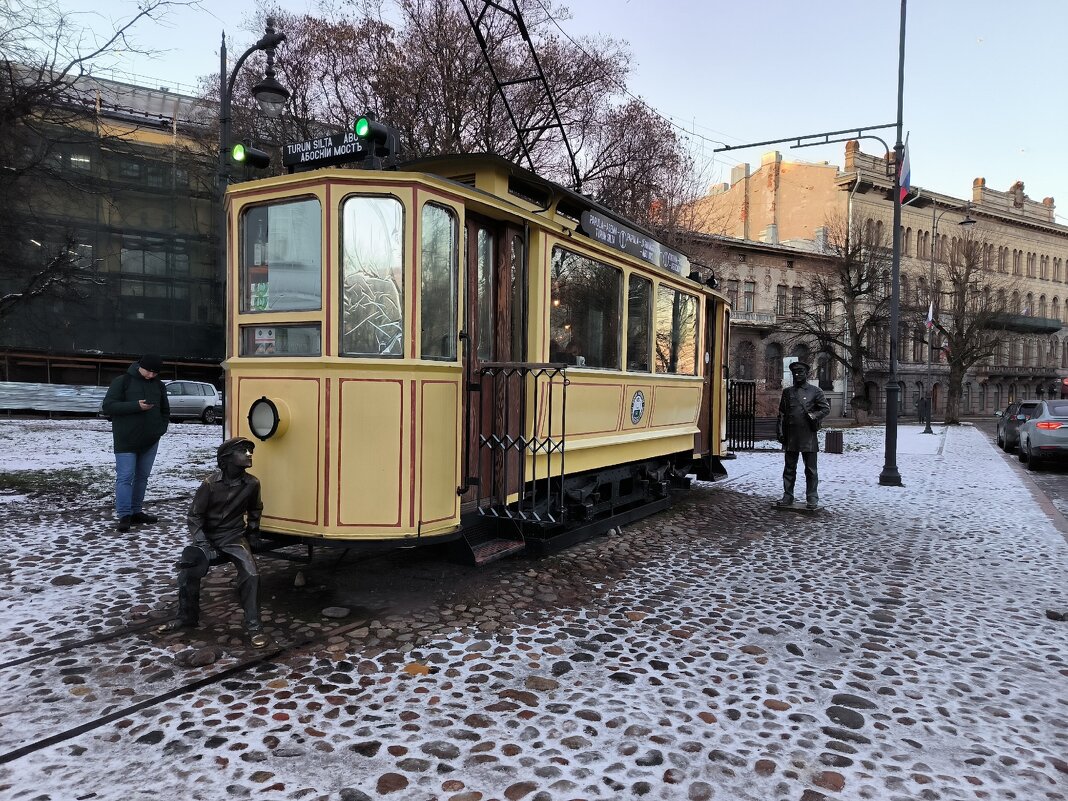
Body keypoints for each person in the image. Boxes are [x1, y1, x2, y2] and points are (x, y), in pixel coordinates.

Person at [157, 437, 268, 648]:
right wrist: (201, 541)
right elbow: (194, 516)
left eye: (249, 450)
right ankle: (186, 617)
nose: (249, 454)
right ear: (226, 459)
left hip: (234, 537)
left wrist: (253, 533)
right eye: (243, 451)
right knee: (188, 567)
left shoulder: (252, 483)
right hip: (207, 537)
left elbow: (255, 509)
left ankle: (254, 627)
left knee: (251, 573)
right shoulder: (209, 484)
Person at [101, 353, 170, 532]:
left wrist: (161, 428)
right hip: (126, 440)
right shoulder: (122, 381)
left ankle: (136, 511)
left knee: (142, 478)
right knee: (125, 477)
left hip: (151, 439)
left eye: (155, 373)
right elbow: (108, 406)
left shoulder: (159, 385)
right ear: (140, 365)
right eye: (148, 371)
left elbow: (165, 410)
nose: (151, 375)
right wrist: (136, 406)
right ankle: (125, 515)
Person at [776, 361, 830, 510]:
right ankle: (788, 495)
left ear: (806, 374)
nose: (798, 375)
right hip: (791, 435)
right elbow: (781, 413)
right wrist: (780, 431)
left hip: (808, 435)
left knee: (811, 469)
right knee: (789, 468)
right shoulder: (787, 392)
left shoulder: (816, 391)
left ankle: (812, 496)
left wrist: (813, 416)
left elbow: (825, 408)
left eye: (800, 372)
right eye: (795, 373)